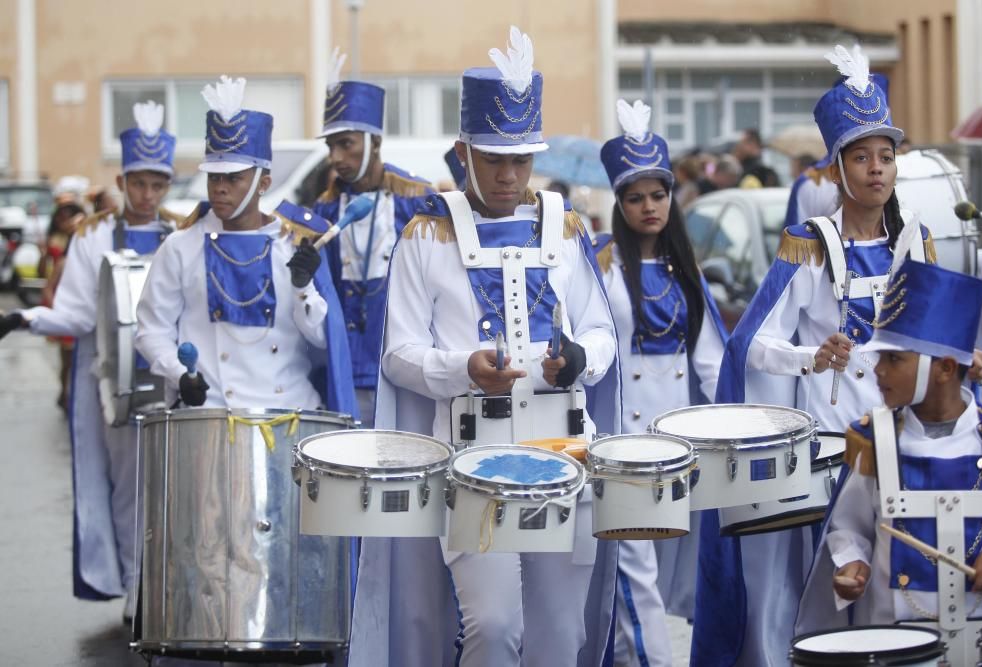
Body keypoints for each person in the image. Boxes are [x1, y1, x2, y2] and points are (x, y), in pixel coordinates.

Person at [349, 26, 620, 667]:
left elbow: (603, 332)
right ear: (464, 152)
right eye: (494, 158)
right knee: (494, 627)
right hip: (472, 462)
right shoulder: (425, 235)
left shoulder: (567, 227)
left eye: (521, 159)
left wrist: (578, 360)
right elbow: (398, 354)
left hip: (566, 454)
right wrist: (462, 369)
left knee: (561, 636)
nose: (508, 174)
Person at [692, 44, 936, 667]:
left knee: (896, 594)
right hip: (832, 450)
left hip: (901, 451)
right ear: (835, 169)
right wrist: (811, 357)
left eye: (886, 157)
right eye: (861, 157)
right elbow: (754, 346)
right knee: (815, 597)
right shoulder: (810, 245)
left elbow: (936, 345)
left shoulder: (917, 242)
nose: (876, 170)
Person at [0, 101, 179, 618]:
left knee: (174, 488)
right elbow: (78, 314)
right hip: (116, 385)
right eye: (139, 184)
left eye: (158, 185)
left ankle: (175, 586)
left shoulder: (182, 235)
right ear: (123, 180)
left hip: (171, 383)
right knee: (126, 488)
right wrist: (27, 319)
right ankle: (134, 586)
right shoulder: (93, 235)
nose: (148, 196)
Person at [797, 258, 982, 631]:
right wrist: (852, 563)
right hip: (895, 636)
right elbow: (851, 526)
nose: (878, 370)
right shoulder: (874, 439)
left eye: (894, 359)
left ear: (943, 369)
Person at [135, 75, 355, 416]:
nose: (220, 188)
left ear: (263, 182)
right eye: (214, 177)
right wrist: (179, 374)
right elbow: (152, 330)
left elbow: (325, 343)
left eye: (233, 178)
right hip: (211, 413)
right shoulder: (179, 246)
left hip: (290, 412)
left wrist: (302, 287)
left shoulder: (295, 243)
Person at [596, 99, 728, 666]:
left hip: (676, 441)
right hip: (620, 442)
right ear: (618, 203)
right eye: (634, 196)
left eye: (658, 194)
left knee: (667, 572)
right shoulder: (598, 263)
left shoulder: (686, 269)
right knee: (634, 571)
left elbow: (712, 364)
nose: (649, 207)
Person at [310, 48, 435, 426]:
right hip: (344, 368)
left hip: (405, 365)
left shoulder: (417, 200)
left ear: (375, 142)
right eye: (330, 145)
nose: (336, 156)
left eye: (346, 143)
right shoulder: (324, 210)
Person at [39, 201, 85, 411]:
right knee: (67, 360)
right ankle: (65, 392)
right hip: (65, 310)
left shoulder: (87, 254)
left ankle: (76, 394)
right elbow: (47, 284)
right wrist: (56, 309)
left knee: (81, 361)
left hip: (82, 312)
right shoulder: (62, 260)